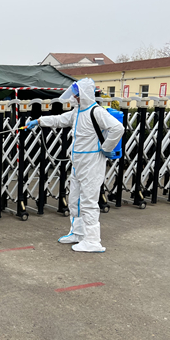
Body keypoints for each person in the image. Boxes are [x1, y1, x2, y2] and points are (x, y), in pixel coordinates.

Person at [26, 78, 124, 253]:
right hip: (78, 163)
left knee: (88, 202)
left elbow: (118, 128)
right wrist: (39, 121)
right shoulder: (77, 112)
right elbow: (59, 120)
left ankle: (92, 241)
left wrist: (106, 148)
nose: (74, 98)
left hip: (92, 162)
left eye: (77, 95)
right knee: (75, 200)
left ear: (84, 95)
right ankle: (78, 233)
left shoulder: (96, 112)